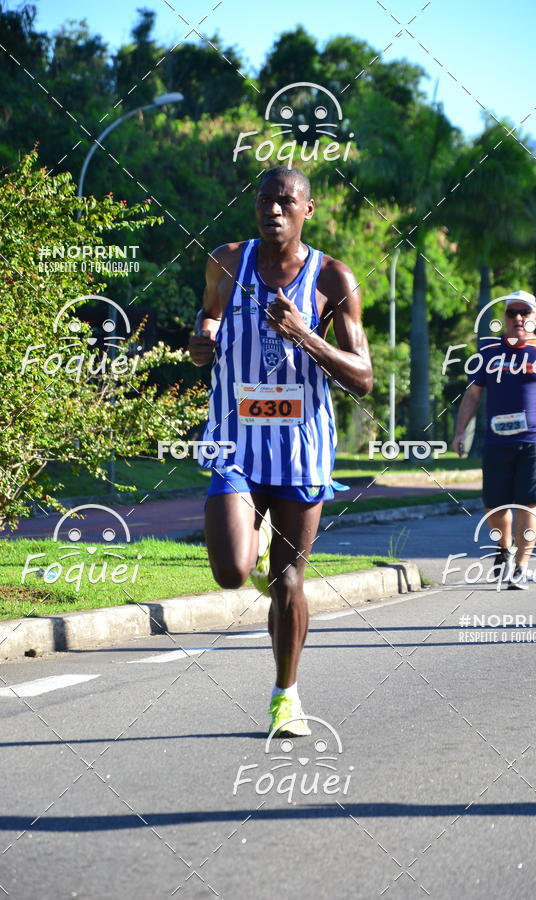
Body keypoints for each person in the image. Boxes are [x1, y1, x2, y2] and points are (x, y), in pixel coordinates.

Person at [188, 166, 372, 735]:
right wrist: (201, 340)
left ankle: (285, 695)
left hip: (299, 449)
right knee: (230, 571)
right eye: (265, 201)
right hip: (235, 443)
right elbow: (207, 323)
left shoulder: (333, 279)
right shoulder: (225, 261)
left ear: (307, 211)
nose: (273, 210)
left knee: (289, 580)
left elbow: (363, 377)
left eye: (285, 202)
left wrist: (305, 333)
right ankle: (253, 537)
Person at [452, 290, 536, 590]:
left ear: (535, 317)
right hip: (496, 441)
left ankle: (520, 567)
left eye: (525, 313)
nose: (518, 318)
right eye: (512, 313)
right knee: (495, 506)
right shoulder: (489, 352)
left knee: (528, 504)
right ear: (504, 318)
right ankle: (503, 550)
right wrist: (459, 432)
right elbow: (472, 394)